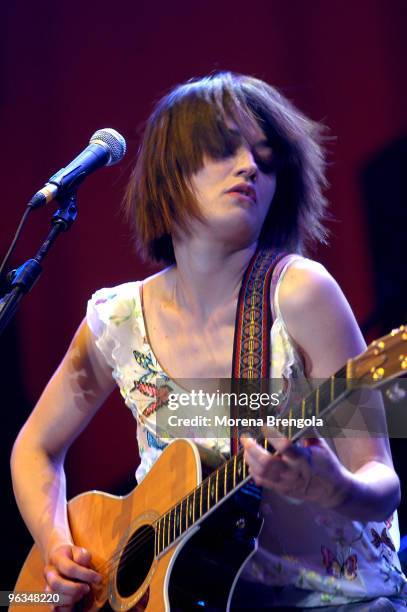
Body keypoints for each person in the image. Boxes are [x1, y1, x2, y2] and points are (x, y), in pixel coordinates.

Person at [11, 71, 407, 610]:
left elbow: (382, 480)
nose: (248, 165)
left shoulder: (303, 293)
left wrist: (329, 485)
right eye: (225, 148)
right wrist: (56, 546)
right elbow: (34, 448)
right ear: (169, 172)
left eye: (265, 158)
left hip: (332, 600)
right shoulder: (118, 319)